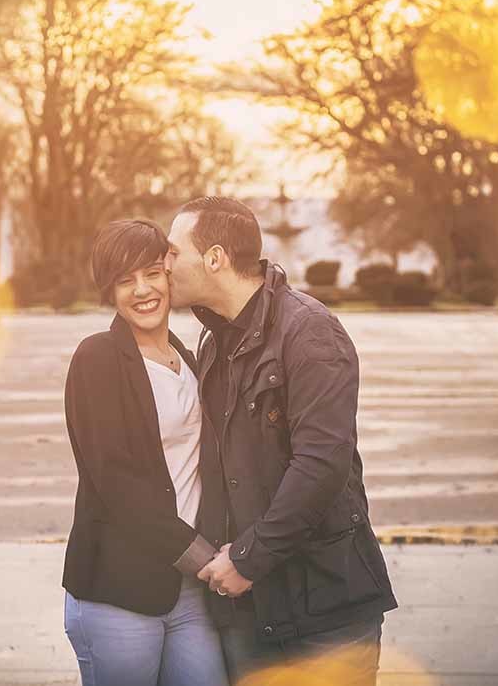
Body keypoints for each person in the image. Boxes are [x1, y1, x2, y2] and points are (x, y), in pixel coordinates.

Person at [165, 197, 398, 685]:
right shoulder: (214, 342)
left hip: (325, 607)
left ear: (214, 259)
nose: (164, 266)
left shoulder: (310, 332)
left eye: (172, 253)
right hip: (248, 609)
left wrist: (249, 559)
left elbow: (321, 465)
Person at [61, 219, 229, 686]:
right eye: (124, 280)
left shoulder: (192, 359)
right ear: (109, 292)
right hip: (119, 592)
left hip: (190, 593)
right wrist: (205, 560)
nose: (142, 290)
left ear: (169, 276)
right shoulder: (97, 359)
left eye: (152, 273)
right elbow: (117, 485)